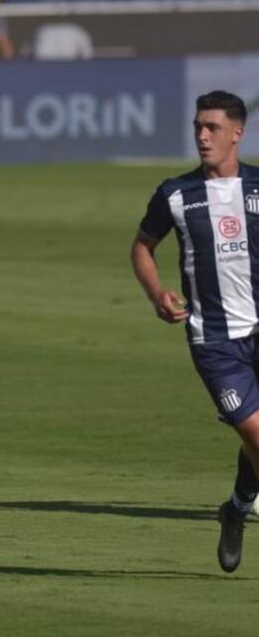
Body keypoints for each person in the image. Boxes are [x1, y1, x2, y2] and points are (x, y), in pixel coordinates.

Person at [131, 90, 259, 574]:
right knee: (255, 433)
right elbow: (142, 247)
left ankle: (236, 507)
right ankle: (240, 505)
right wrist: (156, 293)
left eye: (212, 128)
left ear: (237, 133)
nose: (202, 136)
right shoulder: (175, 194)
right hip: (214, 341)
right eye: (197, 127)